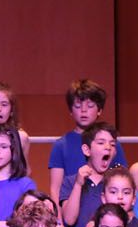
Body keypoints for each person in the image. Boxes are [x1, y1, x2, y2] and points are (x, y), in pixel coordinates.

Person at [51, 79, 127, 207]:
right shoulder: (61, 145)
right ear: (70, 110)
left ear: (99, 110)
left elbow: (123, 180)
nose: (84, 111)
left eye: (90, 106)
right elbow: (55, 190)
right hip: (71, 209)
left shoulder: (113, 145)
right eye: (78, 106)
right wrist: (59, 222)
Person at [58, 123, 120, 227]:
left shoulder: (115, 183)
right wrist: (78, 184)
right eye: (101, 143)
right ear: (87, 150)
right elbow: (69, 219)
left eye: (112, 144)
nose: (108, 147)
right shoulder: (70, 181)